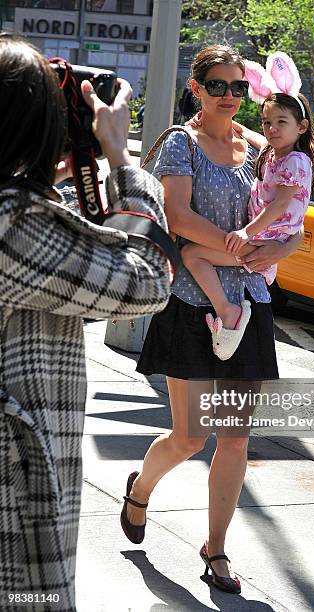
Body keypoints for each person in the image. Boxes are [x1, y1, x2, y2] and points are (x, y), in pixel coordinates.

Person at [123, 45, 304, 595]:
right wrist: (241, 252)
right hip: (193, 303)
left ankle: (217, 550)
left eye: (235, 86)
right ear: (197, 89)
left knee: (235, 439)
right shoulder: (181, 145)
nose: (229, 96)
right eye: (217, 86)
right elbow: (178, 220)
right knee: (190, 436)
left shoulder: (258, 146)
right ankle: (140, 489)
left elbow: (292, 212)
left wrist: (287, 245)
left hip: (250, 307)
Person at [0, 34, 172, 611]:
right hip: (15, 503)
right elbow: (146, 278)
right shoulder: (13, 222)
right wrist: (121, 159)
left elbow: (74, 235)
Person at [181, 52, 314, 360]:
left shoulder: (295, 161)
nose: (271, 129)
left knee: (192, 254)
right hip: (264, 241)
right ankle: (228, 311)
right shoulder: (275, 152)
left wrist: (246, 234)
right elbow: (250, 135)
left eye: (281, 123)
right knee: (193, 254)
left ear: (301, 127)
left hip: (262, 242)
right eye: (267, 122)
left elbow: (279, 205)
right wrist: (226, 127)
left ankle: (227, 311)